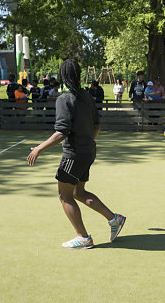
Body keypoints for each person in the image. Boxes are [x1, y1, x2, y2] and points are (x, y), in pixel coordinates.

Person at [27, 59, 126, 249]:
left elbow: (61, 132)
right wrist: (89, 142)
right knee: (78, 192)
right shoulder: (87, 97)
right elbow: (97, 125)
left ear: (63, 76)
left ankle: (83, 237)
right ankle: (114, 219)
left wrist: (39, 148)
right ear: (79, 75)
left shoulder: (64, 99)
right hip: (89, 151)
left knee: (65, 196)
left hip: (74, 155)